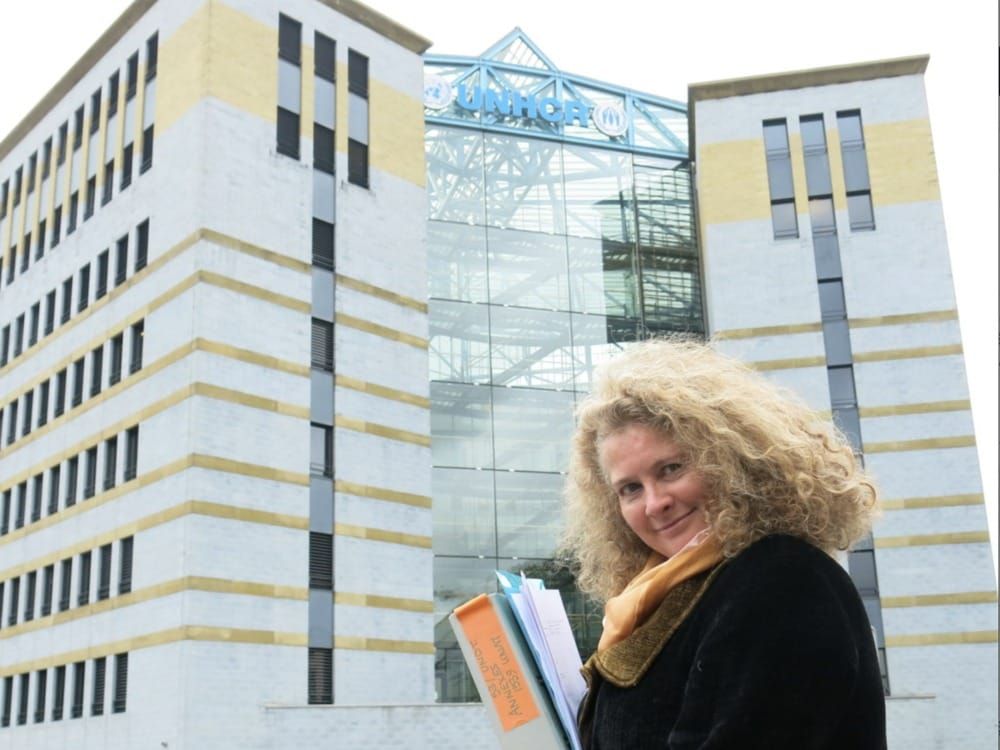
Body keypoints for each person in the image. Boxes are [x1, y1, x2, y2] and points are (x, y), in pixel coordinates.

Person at [561, 337, 887, 749]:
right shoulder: (662, 600)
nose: (655, 503)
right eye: (629, 489)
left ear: (732, 461)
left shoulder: (783, 581)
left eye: (671, 468)